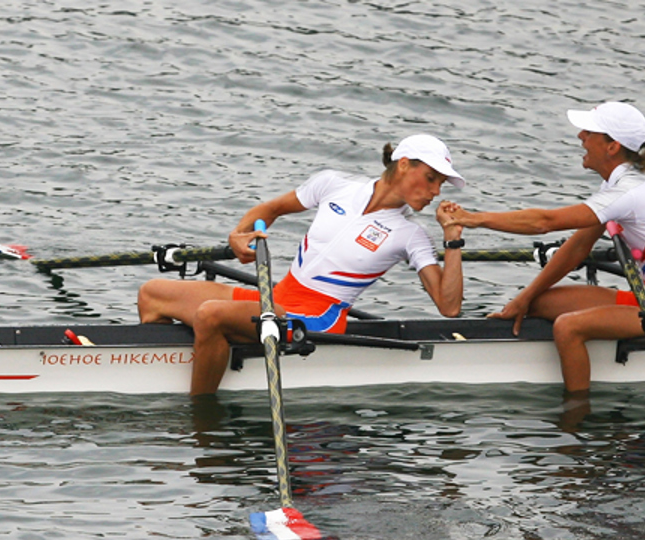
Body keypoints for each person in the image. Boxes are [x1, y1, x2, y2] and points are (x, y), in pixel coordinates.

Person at [138, 134, 466, 396]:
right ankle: (200, 357)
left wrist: (452, 239)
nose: (436, 191)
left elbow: (448, 306)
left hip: (316, 319)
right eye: (431, 178)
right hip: (279, 299)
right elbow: (269, 210)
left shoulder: (410, 234)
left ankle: (200, 415)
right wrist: (239, 234)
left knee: (210, 313)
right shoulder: (334, 185)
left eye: (441, 184)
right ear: (404, 164)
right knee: (152, 294)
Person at [445, 101, 645, 396]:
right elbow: (576, 248)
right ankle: (577, 358)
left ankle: (577, 419)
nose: (581, 136)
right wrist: (523, 299)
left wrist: (472, 219)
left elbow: (545, 222)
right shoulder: (618, 186)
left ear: (612, 147)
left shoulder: (629, 192)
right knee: (540, 304)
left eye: (590, 132)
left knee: (568, 327)